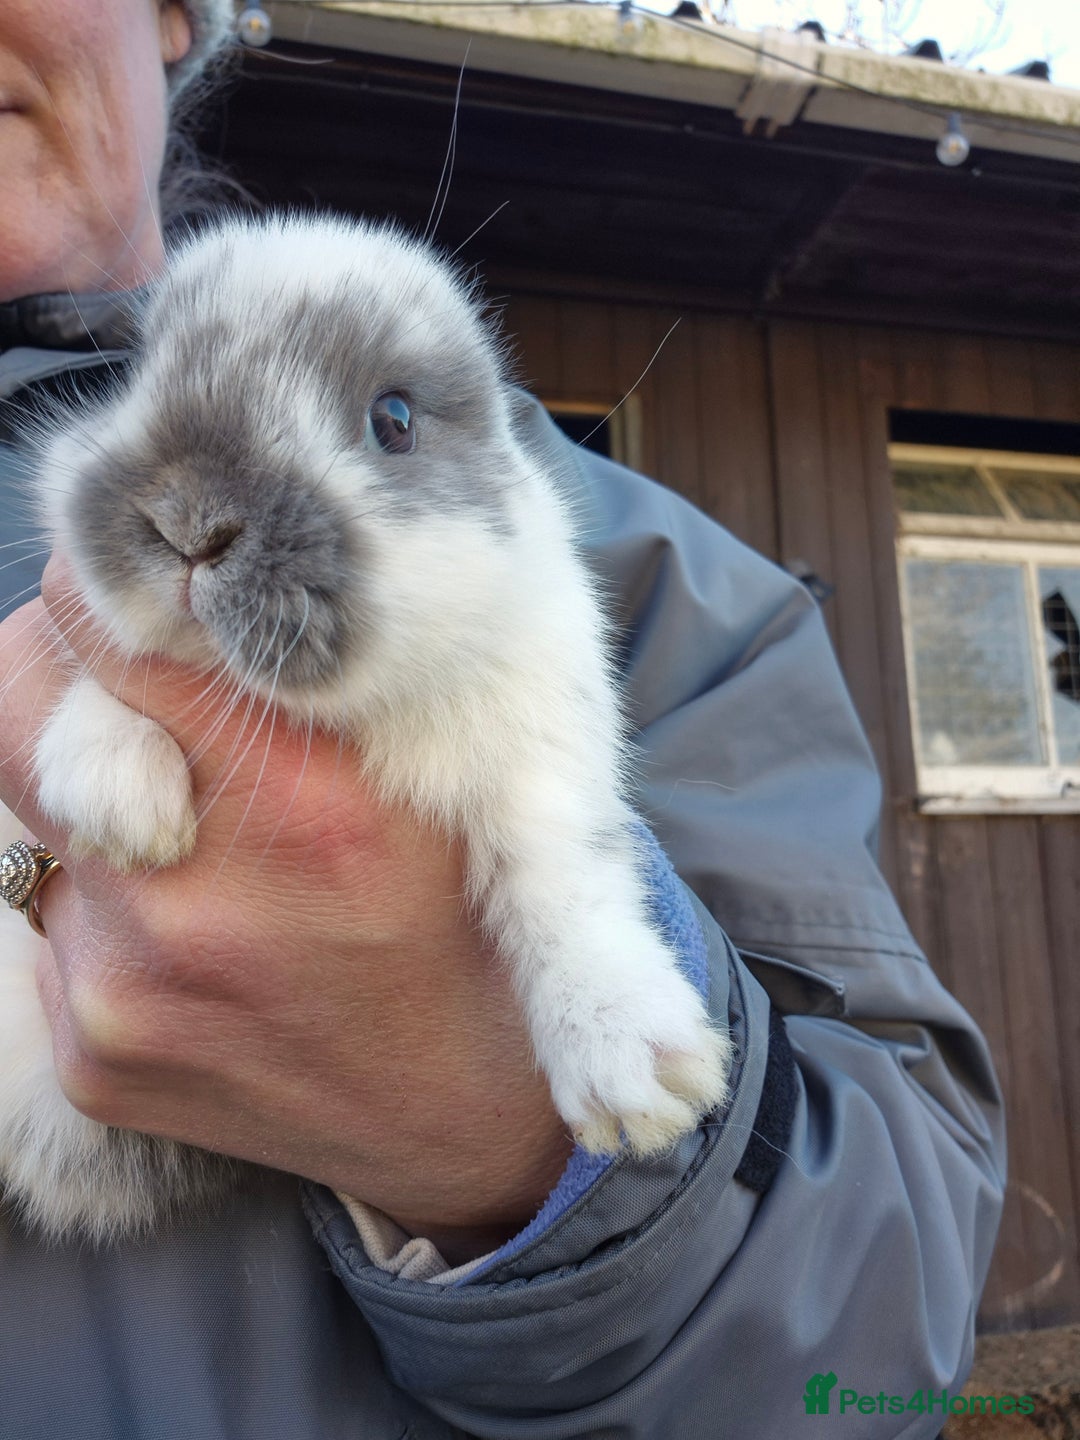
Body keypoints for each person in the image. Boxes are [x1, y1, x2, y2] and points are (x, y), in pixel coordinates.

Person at [0, 3, 1005, 1437]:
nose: (194, 507)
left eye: (385, 426)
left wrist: (521, 1155)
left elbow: (874, 1374)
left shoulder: (657, 593)